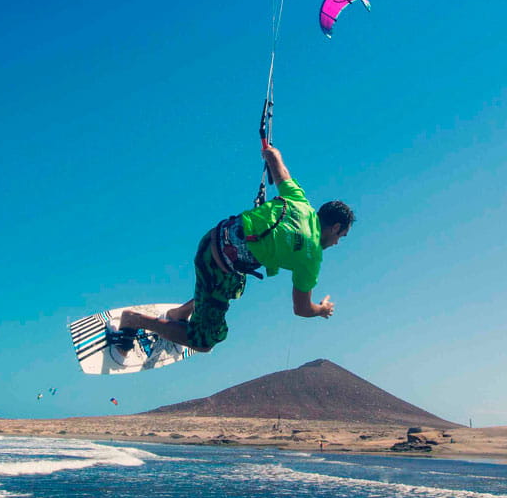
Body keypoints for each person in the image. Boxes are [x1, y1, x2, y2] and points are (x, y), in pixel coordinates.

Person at [116, 142, 354, 353]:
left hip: (212, 239)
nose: (336, 243)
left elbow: (277, 163)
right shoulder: (311, 258)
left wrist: (269, 151)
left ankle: (179, 314)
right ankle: (134, 320)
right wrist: (321, 309)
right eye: (340, 236)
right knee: (204, 342)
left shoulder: (300, 201)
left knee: (234, 284)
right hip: (217, 266)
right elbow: (301, 309)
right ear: (334, 227)